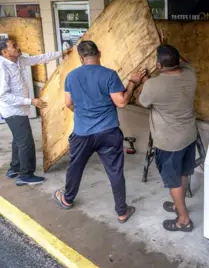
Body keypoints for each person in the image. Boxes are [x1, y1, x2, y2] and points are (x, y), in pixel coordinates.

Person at [53, 40, 145, 224]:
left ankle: (67, 198)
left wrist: (82, 114)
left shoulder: (71, 76)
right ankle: (122, 211)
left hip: (82, 133)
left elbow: (69, 103)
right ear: (99, 53)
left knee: (75, 167)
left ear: (81, 58)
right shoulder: (109, 75)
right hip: (108, 132)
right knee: (115, 171)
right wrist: (133, 83)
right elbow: (121, 102)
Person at [0, 38, 71, 186]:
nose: (18, 47)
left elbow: (39, 58)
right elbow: (3, 95)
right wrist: (31, 101)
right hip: (13, 111)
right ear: (5, 52)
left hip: (20, 109)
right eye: (14, 46)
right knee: (26, 143)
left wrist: (61, 53)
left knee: (18, 140)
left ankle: (15, 167)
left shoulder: (19, 60)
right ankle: (26, 175)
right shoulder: (1, 69)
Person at [139, 44, 197, 232]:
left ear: (158, 64)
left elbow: (144, 102)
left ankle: (183, 220)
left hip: (169, 143)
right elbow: (184, 64)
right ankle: (177, 205)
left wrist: (148, 79)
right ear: (178, 60)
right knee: (183, 173)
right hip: (189, 136)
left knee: (174, 181)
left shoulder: (152, 85)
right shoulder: (191, 75)